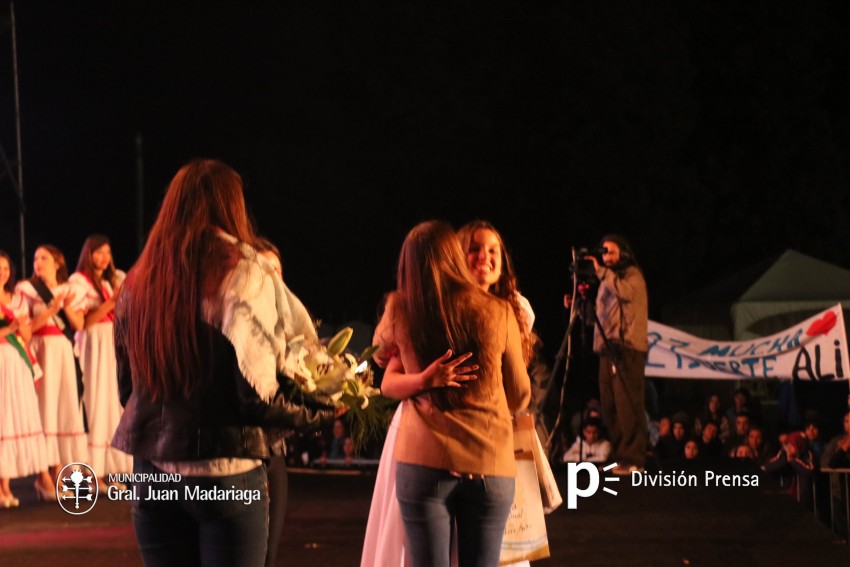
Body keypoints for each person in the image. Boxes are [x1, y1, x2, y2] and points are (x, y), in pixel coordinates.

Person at [110, 159, 336, 567]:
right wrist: (319, 411)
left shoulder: (138, 280)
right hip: (225, 471)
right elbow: (256, 393)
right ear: (230, 204)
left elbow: (127, 390)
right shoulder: (245, 272)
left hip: (152, 473)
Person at [361, 220, 537, 567]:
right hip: (489, 461)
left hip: (424, 460)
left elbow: (379, 356)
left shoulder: (403, 308)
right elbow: (519, 396)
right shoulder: (500, 312)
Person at [572, 234, 648, 475]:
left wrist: (602, 272)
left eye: (611, 252)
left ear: (623, 253)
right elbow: (601, 318)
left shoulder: (631, 274)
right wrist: (579, 308)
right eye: (604, 253)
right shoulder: (607, 281)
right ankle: (620, 456)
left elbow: (627, 293)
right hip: (606, 348)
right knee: (610, 404)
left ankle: (635, 458)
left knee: (627, 404)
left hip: (626, 347)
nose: (606, 257)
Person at [15, 244, 88, 493]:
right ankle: (42, 474)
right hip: (40, 349)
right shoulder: (25, 290)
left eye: (44, 258)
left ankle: (57, 468)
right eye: (35, 258)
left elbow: (78, 324)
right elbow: (27, 327)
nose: (38, 262)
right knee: (43, 407)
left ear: (57, 262)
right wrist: (51, 310)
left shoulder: (71, 289)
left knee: (62, 407)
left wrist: (63, 306)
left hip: (63, 351)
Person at [68, 235, 133, 489]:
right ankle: (91, 473)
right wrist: (110, 301)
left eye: (107, 252)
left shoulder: (112, 279)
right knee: (95, 403)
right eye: (98, 252)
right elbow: (83, 322)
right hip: (93, 343)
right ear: (88, 254)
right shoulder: (79, 281)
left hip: (111, 342)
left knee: (111, 404)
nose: (103, 257)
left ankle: (109, 472)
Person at [0, 250, 52, 508]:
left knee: (16, 419)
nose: (2, 272)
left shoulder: (17, 299)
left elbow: (28, 335)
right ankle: (3, 487)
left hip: (18, 363)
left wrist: (20, 327)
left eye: (5, 268)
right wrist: (7, 330)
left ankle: (11, 484)